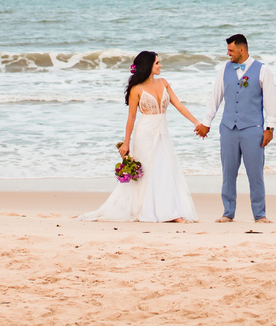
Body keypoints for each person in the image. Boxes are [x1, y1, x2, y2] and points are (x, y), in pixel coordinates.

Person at [79, 51, 201, 223]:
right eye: (157, 63)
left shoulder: (164, 83)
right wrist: (126, 143)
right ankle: (149, 210)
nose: (160, 65)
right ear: (148, 65)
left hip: (162, 133)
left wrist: (196, 122)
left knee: (165, 170)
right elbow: (131, 117)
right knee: (148, 173)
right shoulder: (136, 89)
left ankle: (170, 211)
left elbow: (179, 105)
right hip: (145, 134)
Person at [195, 33, 276, 223]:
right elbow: (215, 97)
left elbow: (270, 100)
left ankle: (260, 214)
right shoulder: (224, 69)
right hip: (228, 128)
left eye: (231, 50)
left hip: (252, 129)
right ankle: (228, 213)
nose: (228, 53)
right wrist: (207, 122)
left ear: (242, 49)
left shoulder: (263, 70)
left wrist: (270, 128)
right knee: (228, 173)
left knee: (255, 174)